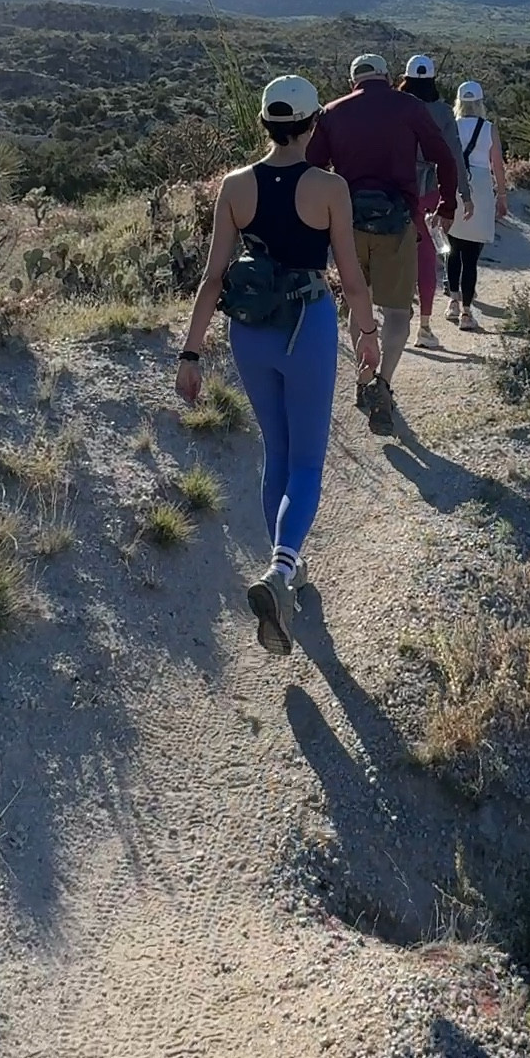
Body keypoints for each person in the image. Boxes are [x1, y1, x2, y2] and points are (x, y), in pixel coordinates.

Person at [175, 75, 380, 657]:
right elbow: (351, 276)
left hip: (251, 332)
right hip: (306, 327)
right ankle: (282, 571)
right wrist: (366, 335)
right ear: (313, 125)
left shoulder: (235, 187)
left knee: (278, 454)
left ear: (264, 124)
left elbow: (213, 278)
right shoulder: (329, 188)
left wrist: (190, 353)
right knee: (309, 460)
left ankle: (284, 564)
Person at [306, 53, 460, 435]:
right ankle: (384, 384)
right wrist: (447, 204)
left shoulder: (332, 112)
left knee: (359, 305)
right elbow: (445, 158)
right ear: (388, 77)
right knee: (396, 313)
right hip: (398, 223)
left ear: (353, 80)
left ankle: (363, 378)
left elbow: (310, 168)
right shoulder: (409, 106)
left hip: (348, 224)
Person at [397, 54, 471, 349]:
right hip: (429, 191)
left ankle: (396, 317)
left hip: (396, 188)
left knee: (396, 255)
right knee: (426, 257)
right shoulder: (442, 112)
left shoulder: (395, 106)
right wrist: (463, 193)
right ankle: (424, 327)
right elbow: (453, 155)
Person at [445, 80, 508, 332]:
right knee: (471, 254)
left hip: (456, 183)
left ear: (459, 102)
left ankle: (452, 300)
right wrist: (501, 195)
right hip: (481, 186)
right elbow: (498, 165)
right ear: (480, 103)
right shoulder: (489, 128)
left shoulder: (452, 127)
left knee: (453, 245)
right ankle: (467, 312)